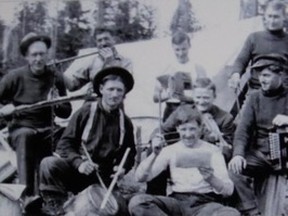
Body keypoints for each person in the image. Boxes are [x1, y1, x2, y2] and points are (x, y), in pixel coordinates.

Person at [39, 67, 136, 215]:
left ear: (124, 93)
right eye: (110, 89)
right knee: (49, 164)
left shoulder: (126, 123)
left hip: (103, 178)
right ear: (101, 89)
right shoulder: (85, 112)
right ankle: (57, 209)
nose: (114, 94)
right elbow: (64, 145)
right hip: (77, 172)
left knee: (120, 209)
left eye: (119, 90)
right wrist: (79, 163)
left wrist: (122, 168)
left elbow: (129, 153)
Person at [0, 32, 72, 213]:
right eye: (34, 55)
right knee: (26, 136)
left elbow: (66, 112)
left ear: (47, 54)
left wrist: (57, 102)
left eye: (42, 54)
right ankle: (26, 195)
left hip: (49, 128)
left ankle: (62, 196)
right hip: (22, 128)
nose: (39, 58)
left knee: (69, 138)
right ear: (26, 56)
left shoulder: (55, 76)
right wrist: (5, 111)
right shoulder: (13, 77)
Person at [128, 108, 240, 216]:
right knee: (138, 202)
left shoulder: (213, 151)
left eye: (192, 129)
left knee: (230, 213)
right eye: (183, 129)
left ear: (200, 128)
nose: (188, 134)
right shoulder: (170, 150)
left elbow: (228, 191)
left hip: (205, 204)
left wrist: (212, 179)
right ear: (177, 129)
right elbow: (140, 178)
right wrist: (154, 155)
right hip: (177, 202)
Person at [228, 53, 288, 216]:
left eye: (267, 75)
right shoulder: (254, 98)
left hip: (285, 155)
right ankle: (252, 211)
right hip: (261, 155)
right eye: (260, 75)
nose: (262, 80)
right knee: (233, 169)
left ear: (280, 74)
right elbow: (243, 131)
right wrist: (238, 155)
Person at [164, 78, 235, 162]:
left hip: (207, 159)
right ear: (193, 96)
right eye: (198, 97)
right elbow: (163, 130)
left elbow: (227, 152)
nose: (201, 102)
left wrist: (214, 141)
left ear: (214, 97)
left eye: (206, 98)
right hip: (181, 155)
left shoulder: (225, 118)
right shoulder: (182, 110)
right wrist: (155, 139)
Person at [228, 1, 288, 92]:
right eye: (269, 16)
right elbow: (241, 61)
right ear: (265, 17)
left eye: (276, 17)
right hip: (255, 90)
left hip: (282, 94)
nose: (272, 21)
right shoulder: (254, 38)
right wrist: (236, 74)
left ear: (284, 17)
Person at [153, 30, 206, 122]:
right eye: (177, 49)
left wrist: (192, 95)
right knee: (170, 135)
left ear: (189, 46)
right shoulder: (166, 68)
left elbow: (206, 93)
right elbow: (155, 97)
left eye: (184, 49)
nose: (180, 53)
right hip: (171, 110)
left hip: (192, 109)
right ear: (172, 48)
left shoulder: (198, 68)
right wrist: (169, 94)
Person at [64, 27, 132, 93]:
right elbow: (73, 86)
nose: (103, 43)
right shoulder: (92, 62)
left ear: (113, 40)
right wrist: (59, 73)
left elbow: (119, 87)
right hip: (92, 102)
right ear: (96, 43)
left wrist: (109, 62)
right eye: (99, 40)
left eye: (106, 39)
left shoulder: (125, 62)